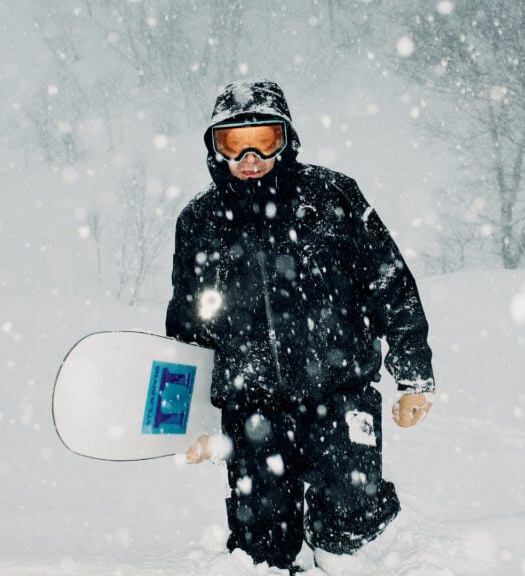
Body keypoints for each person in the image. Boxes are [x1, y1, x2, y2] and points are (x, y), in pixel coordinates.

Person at [164, 79, 436, 572]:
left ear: (286, 139)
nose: (250, 157)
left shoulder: (333, 197)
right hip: (251, 405)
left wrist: (414, 376)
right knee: (261, 551)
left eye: (264, 140)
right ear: (215, 148)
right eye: (234, 142)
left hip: (340, 391)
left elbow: (391, 285)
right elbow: (188, 331)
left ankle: (333, 548)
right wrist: (193, 422)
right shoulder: (199, 222)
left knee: (352, 525)